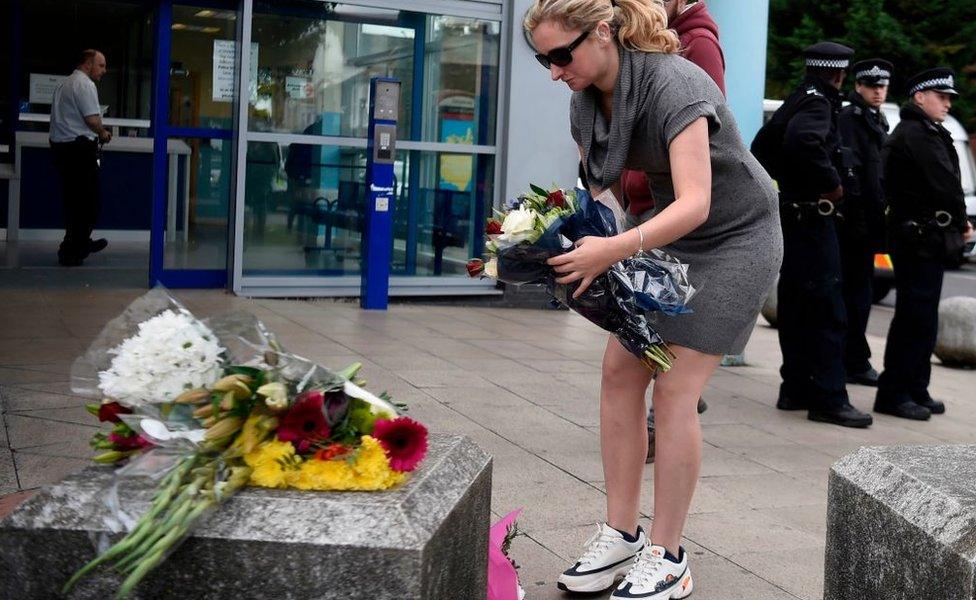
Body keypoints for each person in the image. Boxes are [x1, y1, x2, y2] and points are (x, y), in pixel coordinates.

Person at [525, 0, 782, 596]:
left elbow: (696, 201)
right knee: (619, 372)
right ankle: (622, 534)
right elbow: (607, 194)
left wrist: (612, 252)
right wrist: (564, 242)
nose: (554, 71)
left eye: (562, 55)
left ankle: (669, 556)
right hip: (666, 234)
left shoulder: (677, 81)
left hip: (735, 238)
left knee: (674, 389)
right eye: (543, 60)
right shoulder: (583, 101)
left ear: (605, 32)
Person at [624, 0, 726, 464]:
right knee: (641, 335)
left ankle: (667, 410)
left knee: (666, 341)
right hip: (648, 206)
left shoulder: (697, 43)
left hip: (677, 214)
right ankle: (670, 402)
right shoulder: (642, 36)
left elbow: (704, 130)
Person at [753, 42, 873, 428]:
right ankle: (828, 398)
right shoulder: (820, 102)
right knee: (827, 310)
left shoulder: (798, 97)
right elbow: (803, 141)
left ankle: (796, 389)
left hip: (793, 215)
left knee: (797, 305)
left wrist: (789, 182)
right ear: (838, 73)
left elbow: (763, 146)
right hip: (814, 219)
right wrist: (829, 184)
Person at [874, 68, 975, 420]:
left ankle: (915, 386)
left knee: (923, 317)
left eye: (949, 98)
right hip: (915, 239)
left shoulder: (928, 131)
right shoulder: (915, 133)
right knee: (912, 317)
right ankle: (894, 392)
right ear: (920, 96)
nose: (948, 103)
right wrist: (962, 220)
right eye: (942, 96)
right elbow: (943, 182)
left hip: (926, 239)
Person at [837, 59, 892, 387]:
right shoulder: (850, 118)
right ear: (858, 86)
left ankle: (856, 358)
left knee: (862, 294)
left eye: (882, 86)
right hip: (853, 225)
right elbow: (853, 174)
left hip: (869, 224)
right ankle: (851, 359)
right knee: (851, 295)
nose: (877, 92)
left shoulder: (877, 120)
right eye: (872, 86)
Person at [50, 49, 111, 266]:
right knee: (89, 202)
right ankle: (75, 248)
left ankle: (75, 244)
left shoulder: (63, 84)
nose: (104, 70)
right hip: (79, 150)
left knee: (74, 201)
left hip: (61, 149)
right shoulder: (84, 85)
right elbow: (92, 120)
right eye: (101, 65)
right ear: (88, 63)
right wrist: (103, 133)